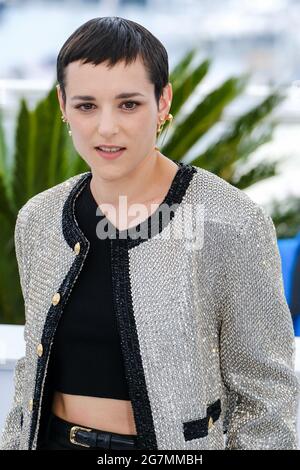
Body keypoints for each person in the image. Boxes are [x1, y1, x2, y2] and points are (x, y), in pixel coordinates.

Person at [0, 16, 299, 451]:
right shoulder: (39, 219)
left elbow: (266, 398)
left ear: (163, 102)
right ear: (62, 104)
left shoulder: (231, 222)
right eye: (86, 105)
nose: (106, 128)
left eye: (128, 104)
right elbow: (32, 371)